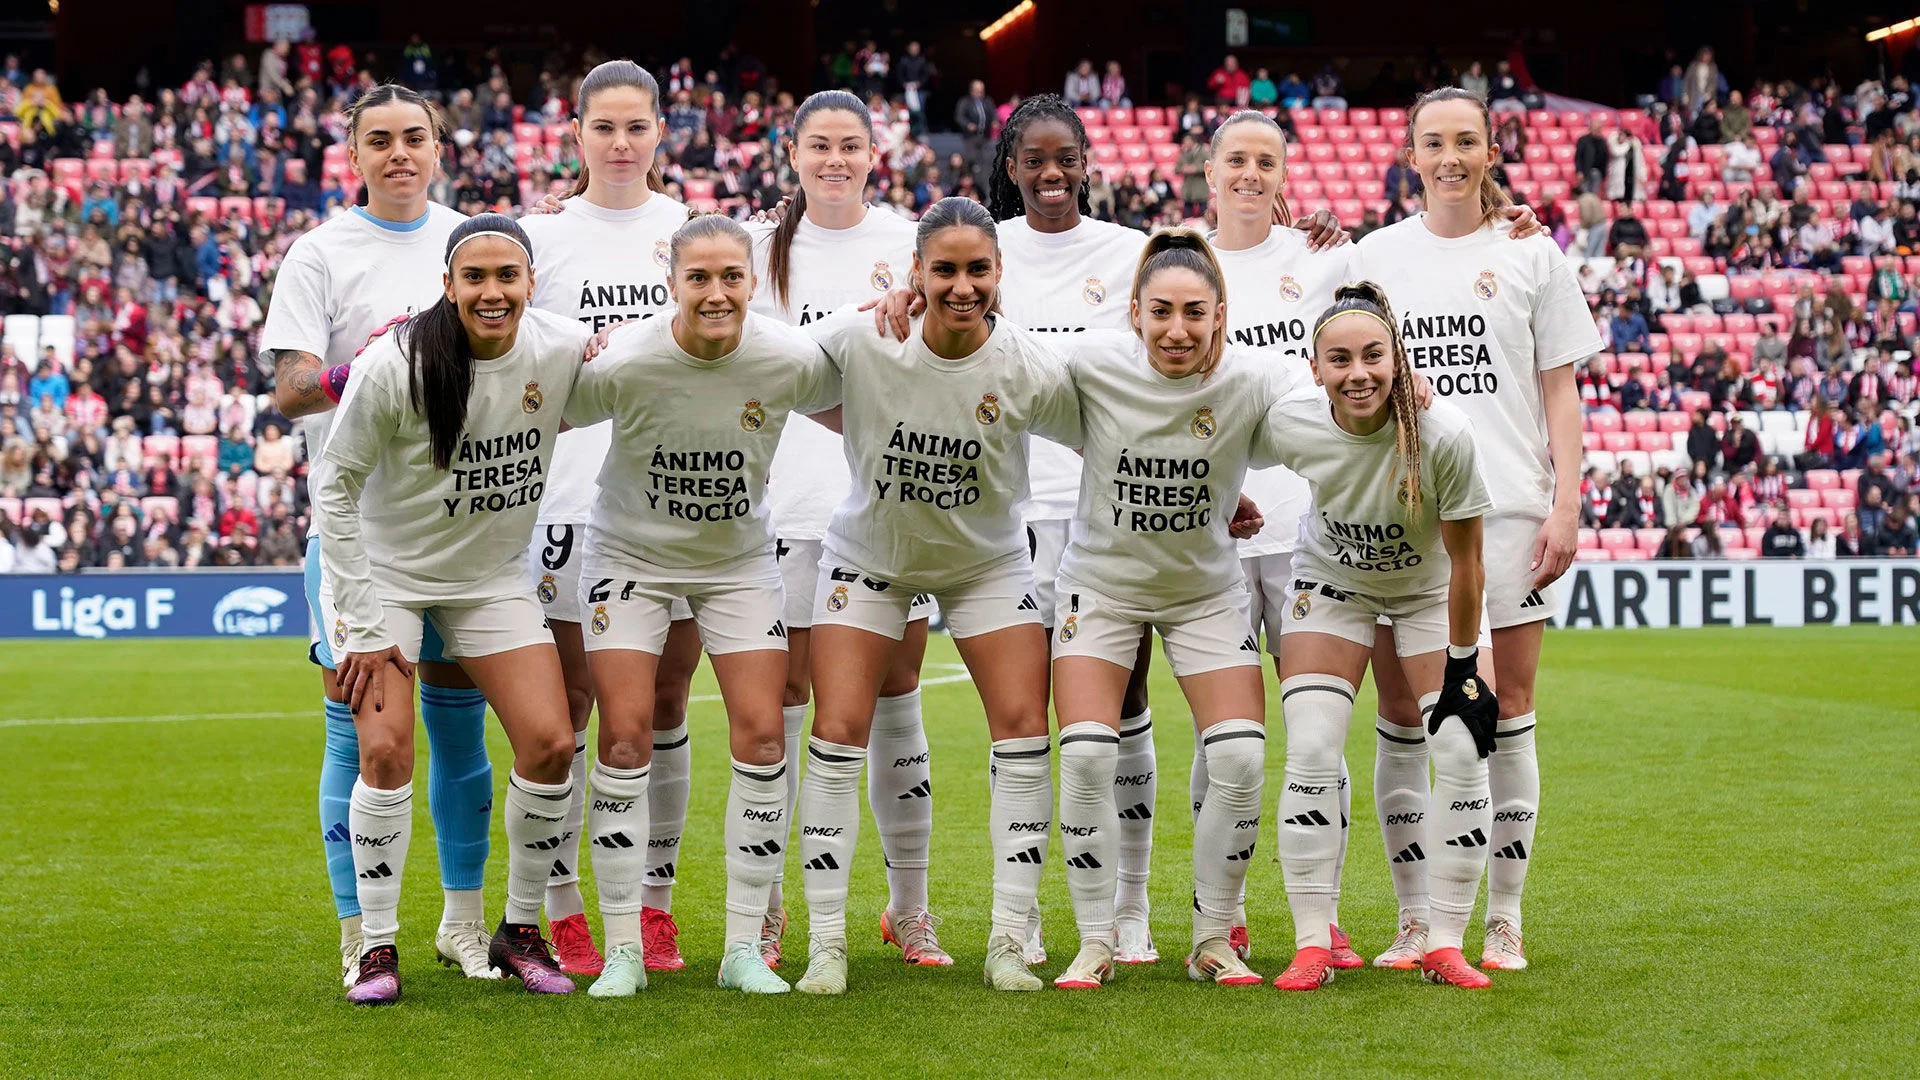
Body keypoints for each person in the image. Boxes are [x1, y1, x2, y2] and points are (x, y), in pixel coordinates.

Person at [793, 198, 1079, 995]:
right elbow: (768, 368)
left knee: (1022, 730)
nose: (962, 285)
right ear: (914, 273)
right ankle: (825, 944)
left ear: (999, 273)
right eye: (944, 269)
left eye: (977, 269)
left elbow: (1112, 431)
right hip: (869, 559)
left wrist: (1224, 491)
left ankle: (1009, 937)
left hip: (986, 567)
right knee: (839, 731)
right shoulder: (863, 339)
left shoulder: (1026, 363)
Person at [1349, 87, 1600, 974]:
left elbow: (1559, 388)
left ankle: (1503, 916)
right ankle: (1417, 918)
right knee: (1405, 717)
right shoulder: (1375, 257)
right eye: (1433, 142)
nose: (1450, 157)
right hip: (1404, 515)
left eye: (1466, 142)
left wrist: (1567, 501)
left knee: (1505, 714)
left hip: (1511, 510)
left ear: (1492, 151)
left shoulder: (1534, 254)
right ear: (1409, 154)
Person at [560, 215, 841, 997]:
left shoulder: (787, 357)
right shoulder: (627, 360)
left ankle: (743, 947)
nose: (716, 294)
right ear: (672, 284)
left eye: (731, 278)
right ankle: (623, 949)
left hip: (737, 562)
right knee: (622, 738)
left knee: (761, 738)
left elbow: (872, 392)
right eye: (699, 279)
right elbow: (543, 409)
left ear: (753, 282)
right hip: (630, 560)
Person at [316, 214, 592, 1004]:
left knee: (549, 744)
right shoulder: (394, 365)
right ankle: (373, 947)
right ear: (448, 286)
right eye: (475, 278)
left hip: (490, 579)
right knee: (386, 753)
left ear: (531, 283)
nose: (493, 292)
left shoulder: (562, 347)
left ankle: (516, 929)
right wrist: (363, 622)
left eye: (508, 276)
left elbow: (641, 367)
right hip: (387, 577)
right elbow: (332, 487)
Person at [259, 84, 497, 989]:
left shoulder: (474, 237)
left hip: (464, 525)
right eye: (380, 141)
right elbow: (285, 389)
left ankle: (462, 923)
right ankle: (362, 929)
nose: (400, 153)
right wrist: (366, 362)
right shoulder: (320, 253)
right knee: (361, 739)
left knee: (463, 735)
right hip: (358, 530)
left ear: (440, 146)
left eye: (415, 138)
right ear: (352, 154)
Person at [1044, 230, 1274, 990]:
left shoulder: (1252, 378)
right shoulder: (1092, 361)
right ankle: (1095, 940)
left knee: (1239, 758)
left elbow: (1341, 407)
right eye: (1162, 313)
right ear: (1135, 314)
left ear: (1220, 315)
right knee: (1083, 755)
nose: (1178, 330)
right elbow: (996, 358)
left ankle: (1213, 937)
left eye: (1195, 314)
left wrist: (1414, 393)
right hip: (1100, 588)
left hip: (1205, 593)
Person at [753, 91, 947, 969]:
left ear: (875, 153)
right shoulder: (755, 253)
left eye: (851, 146)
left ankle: (909, 907)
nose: (835, 159)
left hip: (888, 508)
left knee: (894, 702)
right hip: (783, 507)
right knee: (789, 704)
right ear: (791, 152)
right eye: (818, 145)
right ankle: (770, 907)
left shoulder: (908, 246)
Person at [1261, 282, 1498, 991]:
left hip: (1429, 592)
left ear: (1397, 358)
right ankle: (1312, 943)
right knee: (1308, 746)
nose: (1357, 373)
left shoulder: (1445, 436)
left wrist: (1462, 668)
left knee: (1461, 744)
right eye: (1339, 359)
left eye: (1372, 356)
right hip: (1332, 587)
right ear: (1314, 367)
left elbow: (1468, 563)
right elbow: (1211, 441)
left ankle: (1444, 941)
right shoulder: (1289, 420)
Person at [515, 59, 693, 978]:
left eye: (637, 127)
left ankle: (655, 905)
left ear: (661, 132)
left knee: (662, 703)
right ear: (575, 133)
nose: (621, 144)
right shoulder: (543, 240)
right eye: (604, 128)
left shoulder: (696, 234)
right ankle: (563, 905)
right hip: (567, 504)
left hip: (677, 504)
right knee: (574, 708)